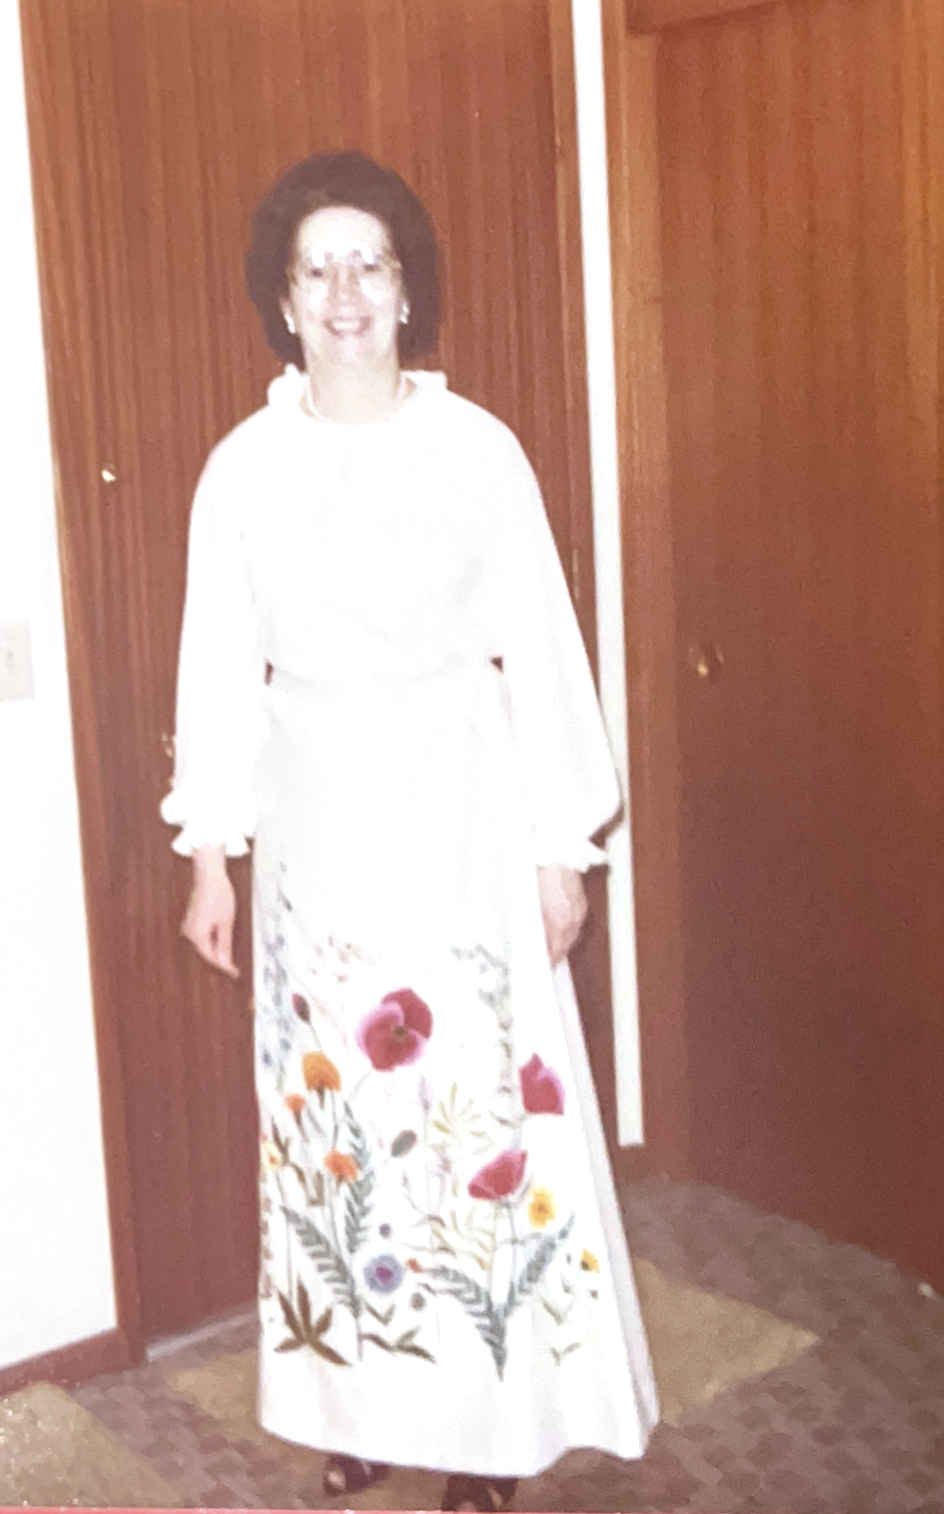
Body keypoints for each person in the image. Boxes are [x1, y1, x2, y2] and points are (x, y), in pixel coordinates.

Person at [162, 150, 658, 1510]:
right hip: (318, 837)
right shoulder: (242, 471)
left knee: (466, 1118)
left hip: (462, 815)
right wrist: (211, 846)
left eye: (368, 263)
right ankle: (360, 1405)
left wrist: (566, 845)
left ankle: (487, 1429)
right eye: (315, 266)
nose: (343, 291)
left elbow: (542, 650)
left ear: (404, 289)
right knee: (342, 1124)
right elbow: (217, 665)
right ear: (281, 296)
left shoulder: (477, 450)